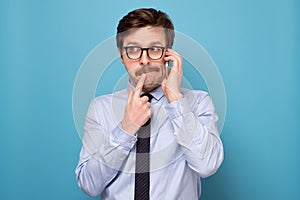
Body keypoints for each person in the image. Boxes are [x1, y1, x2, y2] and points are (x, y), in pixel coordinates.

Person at [75, 8, 224, 200]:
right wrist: (126, 128)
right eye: (133, 50)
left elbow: (207, 165)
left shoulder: (198, 103)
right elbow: (89, 185)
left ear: (168, 55)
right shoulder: (100, 108)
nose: (144, 60)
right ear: (122, 56)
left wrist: (175, 99)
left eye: (154, 49)